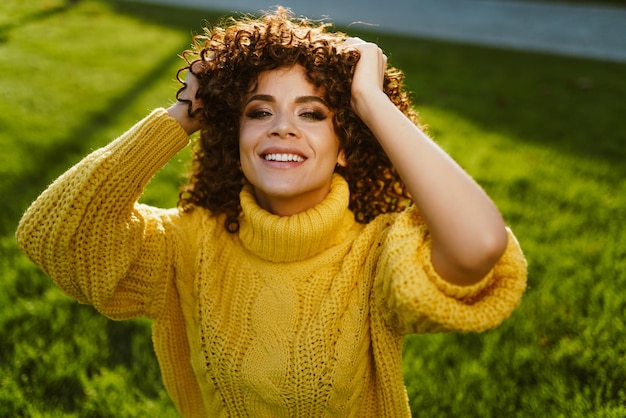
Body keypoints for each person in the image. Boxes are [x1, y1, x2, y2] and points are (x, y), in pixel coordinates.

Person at [16, 7, 527, 417]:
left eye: (312, 113)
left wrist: (371, 99)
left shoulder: (375, 253)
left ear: (345, 143)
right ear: (232, 135)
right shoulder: (188, 244)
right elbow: (54, 236)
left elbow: (480, 245)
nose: (282, 127)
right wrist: (181, 116)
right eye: (259, 111)